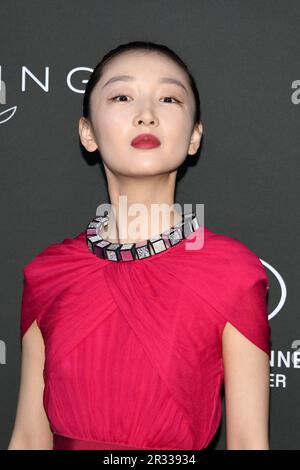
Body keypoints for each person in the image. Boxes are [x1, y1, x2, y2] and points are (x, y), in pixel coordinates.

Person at [8, 41, 271, 450]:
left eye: (168, 98)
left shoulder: (232, 272)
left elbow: (249, 442)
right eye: (122, 96)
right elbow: (27, 438)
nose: (146, 114)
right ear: (88, 133)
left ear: (194, 138)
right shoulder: (48, 274)